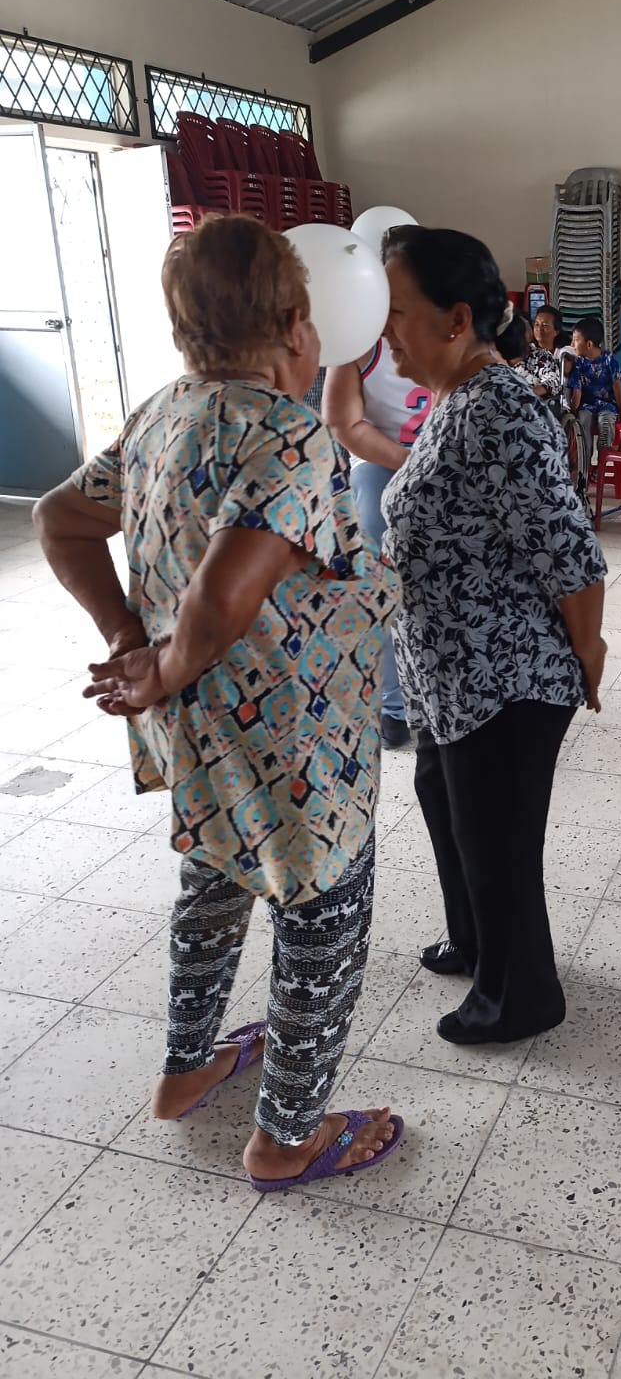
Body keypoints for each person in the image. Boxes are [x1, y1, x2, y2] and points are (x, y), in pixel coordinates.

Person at [32, 216, 402, 1189]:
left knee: (215, 878)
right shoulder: (288, 433)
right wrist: (162, 661)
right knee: (323, 917)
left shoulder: (163, 413)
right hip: (294, 745)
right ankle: (287, 1137)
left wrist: (131, 640)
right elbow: (227, 592)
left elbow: (60, 518)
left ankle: (187, 1067)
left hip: (200, 735)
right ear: (297, 325)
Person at [379, 225, 608, 1046]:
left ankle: (519, 997)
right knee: (450, 810)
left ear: (456, 319)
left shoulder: (499, 408)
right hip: (450, 677)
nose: (383, 330)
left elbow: (573, 557)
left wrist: (589, 655)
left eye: (397, 311)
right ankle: (477, 943)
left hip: (506, 680)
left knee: (497, 841)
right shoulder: (456, 399)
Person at [322, 331, 431, 750]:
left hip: (451, 464)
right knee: (381, 585)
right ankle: (395, 706)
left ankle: (427, 698)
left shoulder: (456, 324)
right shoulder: (359, 339)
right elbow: (343, 422)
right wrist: (414, 462)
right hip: (382, 465)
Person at [568, 315, 621, 462]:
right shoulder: (578, 363)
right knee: (582, 422)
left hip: (607, 406)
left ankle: (602, 461)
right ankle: (585, 463)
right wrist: (572, 412)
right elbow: (577, 392)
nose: (572, 344)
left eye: (576, 340)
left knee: (606, 424)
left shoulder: (609, 360)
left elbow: (617, 388)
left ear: (589, 344)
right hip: (586, 406)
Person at [533, 304, 574, 399]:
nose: (539, 328)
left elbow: (568, 369)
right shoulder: (529, 352)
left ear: (556, 331)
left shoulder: (564, 352)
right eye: (537, 324)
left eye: (545, 325)